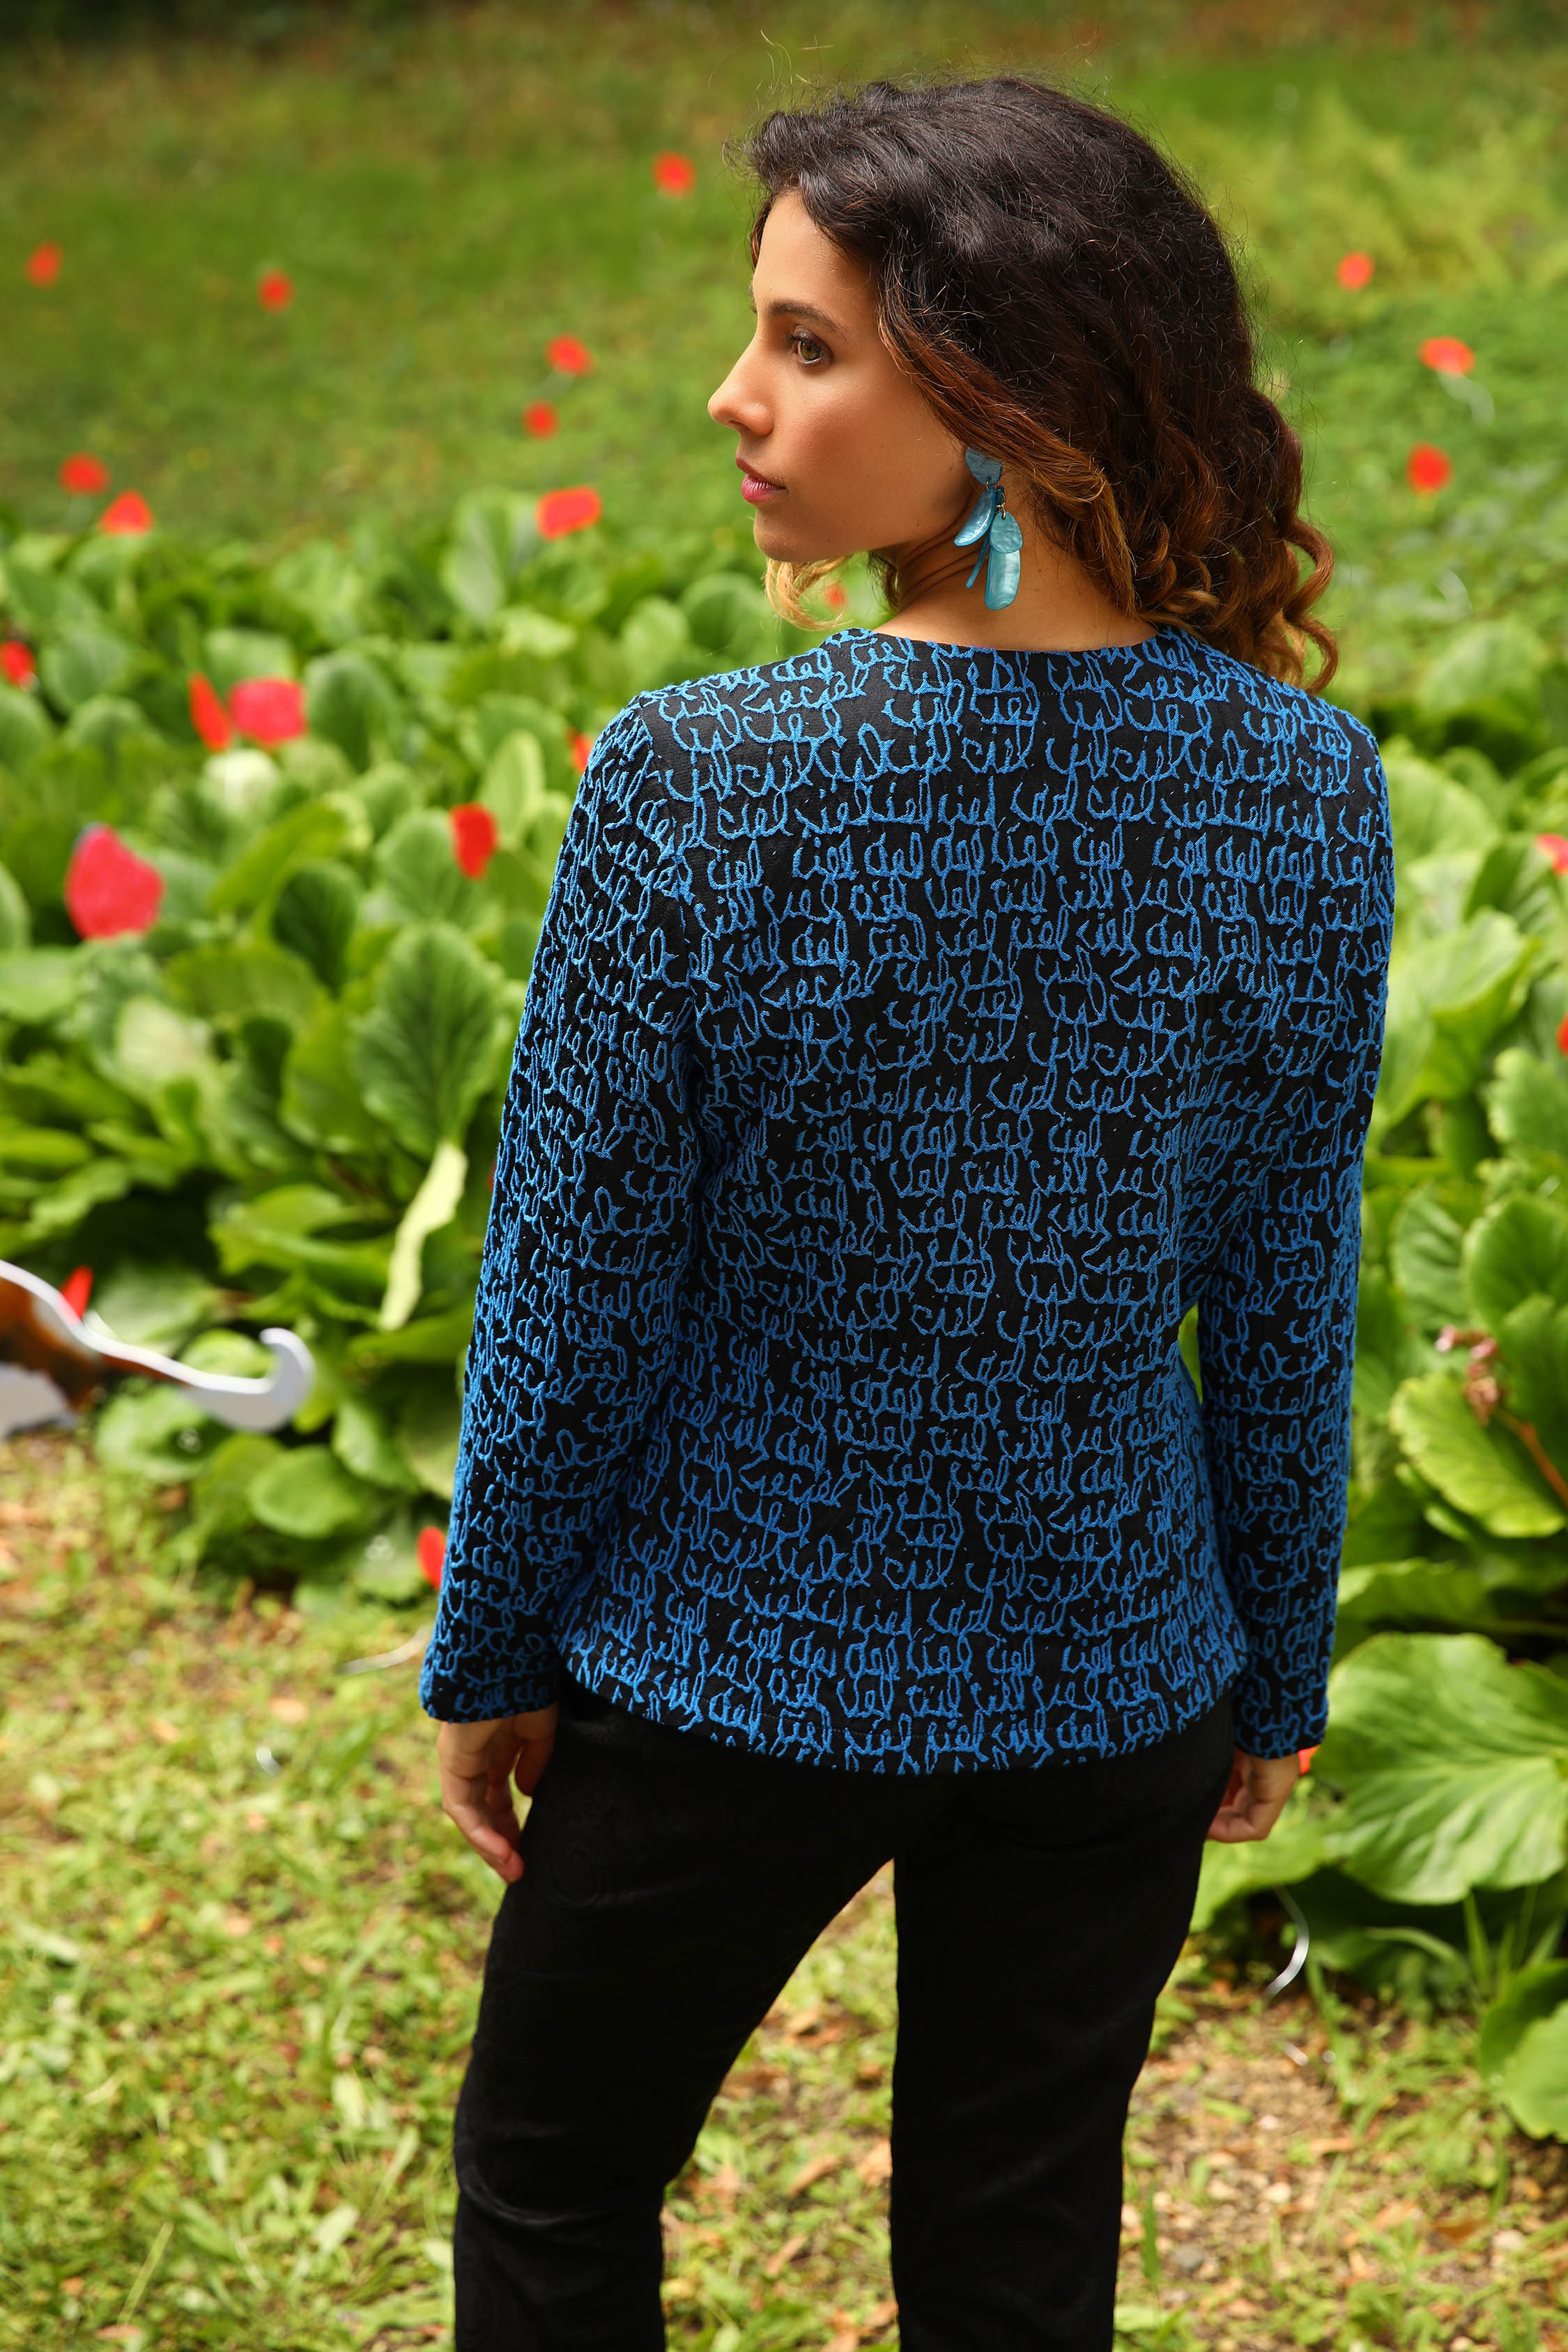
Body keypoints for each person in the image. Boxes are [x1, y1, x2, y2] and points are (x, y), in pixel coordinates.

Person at [421, 75, 1392, 2352]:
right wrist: (1269, 1658)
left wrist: (495, 1654)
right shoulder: (1303, 790)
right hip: (1112, 1675)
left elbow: (575, 1287)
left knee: (557, 2176)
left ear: (1008, 400)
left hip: (726, 1667)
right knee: (1013, 2247)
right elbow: (1280, 1283)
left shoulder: (696, 783)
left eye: (807, 345)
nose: (731, 395)